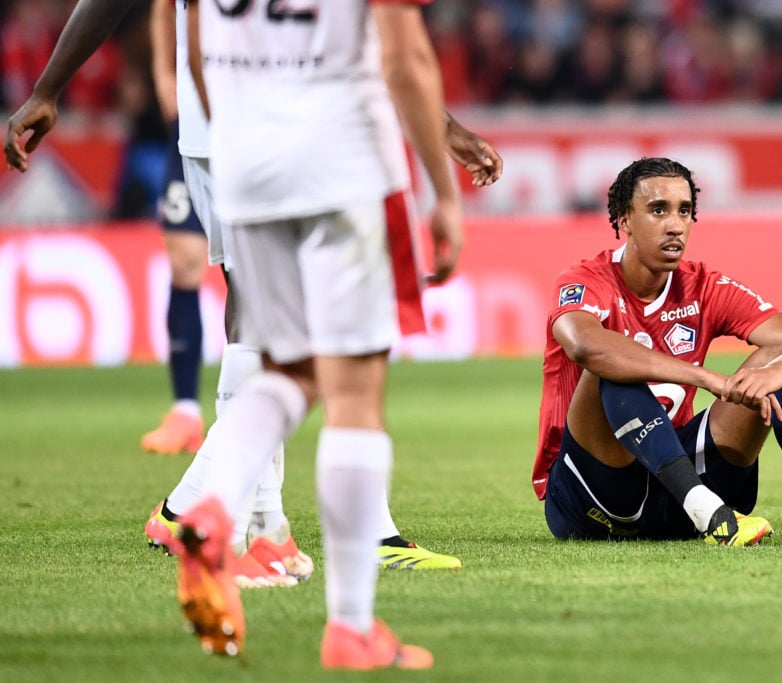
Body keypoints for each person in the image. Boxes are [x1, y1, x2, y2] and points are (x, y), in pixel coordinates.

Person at [5, 0, 502, 585]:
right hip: (294, 135)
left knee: (271, 325)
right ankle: (304, 529)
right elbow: (389, 45)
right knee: (333, 340)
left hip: (230, 129)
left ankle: (236, 519)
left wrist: (48, 88)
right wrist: (440, 159)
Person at [172, 0, 461, 667]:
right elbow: (405, 58)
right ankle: (351, 627)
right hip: (343, 162)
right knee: (355, 391)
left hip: (247, 162)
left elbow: (194, 50)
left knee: (288, 371)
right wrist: (443, 194)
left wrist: (248, 142)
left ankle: (214, 513)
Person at [534, 156, 782, 546]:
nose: (675, 225)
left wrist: (779, 370)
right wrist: (704, 377)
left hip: (675, 490)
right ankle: (710, 514)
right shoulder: (585, 281)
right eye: (658, 210)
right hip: (591, 499)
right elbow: (587, 346)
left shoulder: (704, 285)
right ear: (623, 220)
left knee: (779, 359)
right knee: (612, 366)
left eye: (684, 211)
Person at [139, 0, 209, 456]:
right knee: (184, 262)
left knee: (250, 274)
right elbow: (165, 6)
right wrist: (165, 74)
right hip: (194, 128)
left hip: (256, 119)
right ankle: (185, 411)